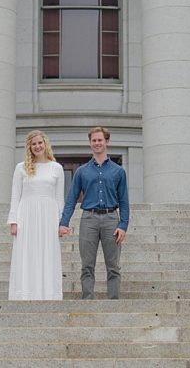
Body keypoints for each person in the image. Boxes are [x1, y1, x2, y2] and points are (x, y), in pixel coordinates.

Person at [59, 126, 129, 299]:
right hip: (88, 219)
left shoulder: (118, 171)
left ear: (107, 142)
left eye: (100, 140)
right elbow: (71, 198)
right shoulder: (82, 171)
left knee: (113, 266)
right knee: (87, 265)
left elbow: (124, 201)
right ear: (90, 143)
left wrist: (123, 225)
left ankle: (113, 301)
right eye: (94, 140)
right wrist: (64, 222)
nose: (97, 143)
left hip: (111, 219)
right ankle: (87, 300)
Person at [7, 130, 65, 300]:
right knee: (26, 253)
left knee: (48, 253)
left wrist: (62, 223)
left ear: (45, 144)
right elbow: (15, 195)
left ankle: (48, 294)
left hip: (49, 217)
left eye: (40, 143)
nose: (37, 146)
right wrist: (13, 221)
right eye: (34, 144)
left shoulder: (57, 168)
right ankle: (24, 293)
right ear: (29, 147)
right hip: (27, 216)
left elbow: (59, 198)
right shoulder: (21, 168)